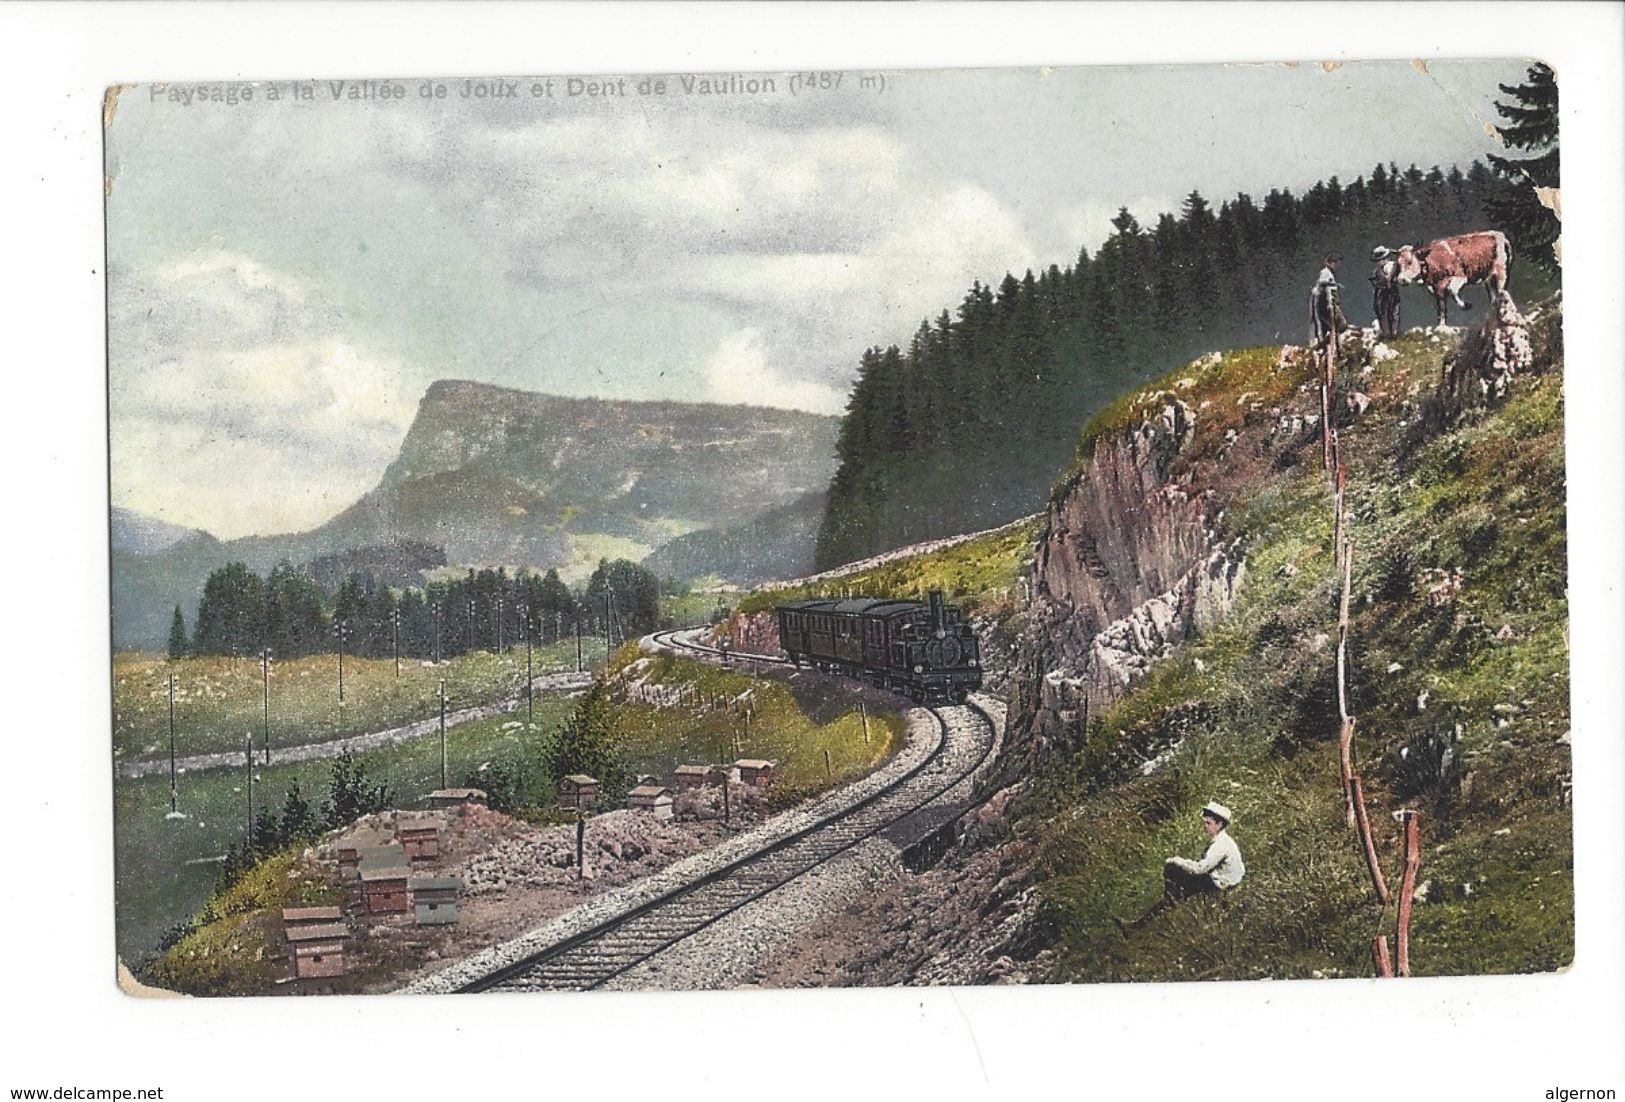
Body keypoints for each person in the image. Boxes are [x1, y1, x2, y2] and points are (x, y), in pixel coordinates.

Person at [1116, 800, 1245, 933]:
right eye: (1204, 822)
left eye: (1208, 823)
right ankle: (1146, 920)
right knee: (1176, 890)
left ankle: (1151, 919)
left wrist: (1178, 861)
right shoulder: (1222, 841)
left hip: (1220, 883)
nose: (1205, 826)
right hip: (1221, 879)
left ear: (1219, 824)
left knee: (1173, 871)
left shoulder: (1220, 845)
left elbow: (1200, 869)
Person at [1309, 252, 1350, 347]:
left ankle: (1330, 342)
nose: (1338, 266)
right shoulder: (1325, 273)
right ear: (1332, 263)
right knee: (1333, 324)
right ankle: (1325, 342)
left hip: (1330, 303)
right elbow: (1324, 285)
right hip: (1324, 303)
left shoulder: (1330, 273)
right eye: (1337, 263)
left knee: (1337, 324)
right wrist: (1331, 304)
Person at [1369, 246, 1402, 339]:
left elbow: (1399, 273)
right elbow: (1374, 281)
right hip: (1383, 295)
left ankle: (1394, 333)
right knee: (1384, 314)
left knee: (1395, 313)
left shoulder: (1394, 266)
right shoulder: (1377, 271)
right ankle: (1387, 334)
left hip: (1393, 293)